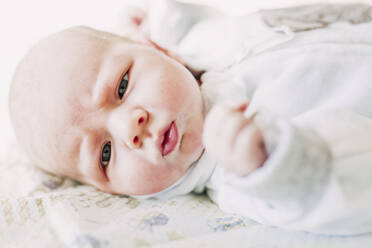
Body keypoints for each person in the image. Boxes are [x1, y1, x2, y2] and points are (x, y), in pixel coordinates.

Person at [8, 0, 372, 235]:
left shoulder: (195, 56)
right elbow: (348, 196)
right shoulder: (235, 174)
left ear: (151, 50)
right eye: (105, 155)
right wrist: (274, 162)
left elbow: (204, 27)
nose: (129, 130)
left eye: (121, 86)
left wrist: (161, 21)